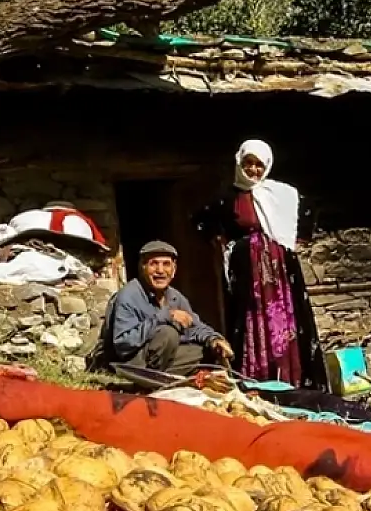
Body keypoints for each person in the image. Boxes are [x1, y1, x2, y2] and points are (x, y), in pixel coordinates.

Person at [194, 140, 326, 388]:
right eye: (248, 163)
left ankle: (290, 377)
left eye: (258, 165)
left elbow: (308, 210)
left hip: (280, 272)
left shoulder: (282, 194)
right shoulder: (229, 197)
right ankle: (258, 376)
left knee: (285, 319)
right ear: (239, 162)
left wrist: (298, 238)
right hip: (247, 270)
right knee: (251, 318)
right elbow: (201, 220)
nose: (253, 170)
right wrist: (220, 242)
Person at [93, 240, 233, 375]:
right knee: (168, 333)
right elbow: (122, 344)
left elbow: (194, 326)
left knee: (206, 351)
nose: (160, 271)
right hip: (129, 361)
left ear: (174, 269)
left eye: (166, 264)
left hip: (158, 360)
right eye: (154, 264)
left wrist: (214, 339)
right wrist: (165, 317)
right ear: (143, 267)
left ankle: (161, 375)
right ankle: (149, 377)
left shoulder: (175, 297)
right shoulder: (129, 295)